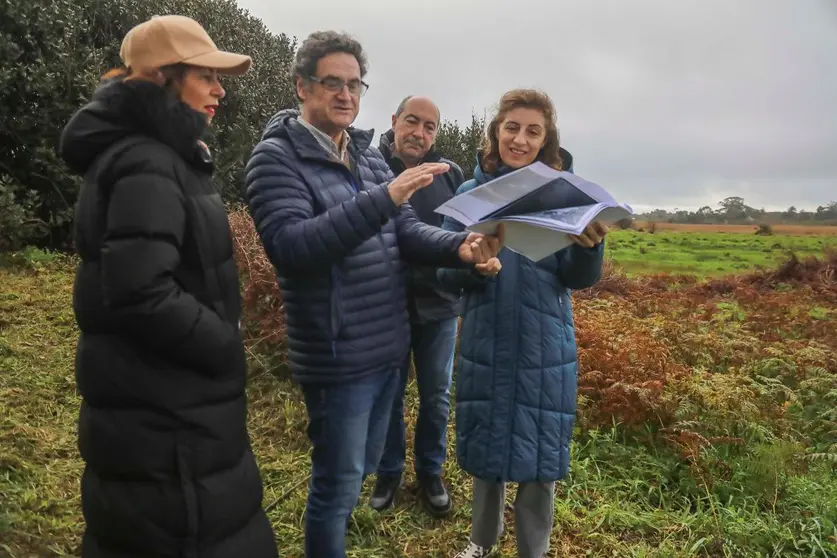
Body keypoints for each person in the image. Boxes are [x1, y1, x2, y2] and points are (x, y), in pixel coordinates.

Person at [244, 31, 503, 558]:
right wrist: (384, 198)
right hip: (338, 353)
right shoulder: (275, 161)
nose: (345, 95)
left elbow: (405, 232)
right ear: (302, 86)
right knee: (336, 489)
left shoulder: (365, 157)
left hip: (387, 345)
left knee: (358, 470)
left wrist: (462, 249)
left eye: (354, 84)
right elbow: (293, 248)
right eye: (331, 83)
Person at [58, 15, 277, 558]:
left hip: (163, 405)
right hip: (170, 417)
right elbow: (139, 291)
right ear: (163, 79)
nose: (220, 90)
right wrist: (223, 344)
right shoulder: (147, 161)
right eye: (206, 76)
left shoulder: (157, 153)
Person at [438, 89, 608, 558]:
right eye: (512, 126)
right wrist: (470, 263)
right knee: (487, 445)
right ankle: (481, 542)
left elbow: (578, 279)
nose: (520, 138)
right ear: (496, 131)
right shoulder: (471, 195)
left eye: (533, 130)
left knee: (541, 453)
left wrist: (589, 248)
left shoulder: (565, 198)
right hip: (486, 334)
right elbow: (443, 269)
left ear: (546, 139)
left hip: (544, 339)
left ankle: (533, 550)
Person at [370, 95, 464, 516]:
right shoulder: (369, 169)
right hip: (384, 307)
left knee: (436, 396)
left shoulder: (450, 176)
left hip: (440, 307)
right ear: (394, 121)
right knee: (388, 395)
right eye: (412, 121)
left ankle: (430, 472)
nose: (419, 133)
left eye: (429, 126)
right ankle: (388, 473)